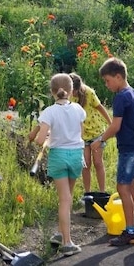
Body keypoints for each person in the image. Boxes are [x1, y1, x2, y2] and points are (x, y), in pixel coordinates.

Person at [90, 57, 134, 246]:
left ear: (118, 76)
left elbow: (115, 126)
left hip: (129, 148)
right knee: (131, 187)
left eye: (107, 81)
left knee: (122, 188)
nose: (107, 85)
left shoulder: (121, 97)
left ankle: (130, 231)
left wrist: (100, 140)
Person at [28, 73, 87, 256]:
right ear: (71, 91)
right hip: (76, 155)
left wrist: (47, 137)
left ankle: (67, 242)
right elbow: (81, 132)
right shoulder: (78, 109)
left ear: (52, 92)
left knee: (64, 199)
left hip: (58, 156)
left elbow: (38, 140)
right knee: (68, 198)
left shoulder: (49, 111)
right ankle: (62, 235)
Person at [69, 73, 113, 193]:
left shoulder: (89, 93)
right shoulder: (68, 96)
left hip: (96, 133)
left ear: (77, 89)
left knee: (98, 163)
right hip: (82, 135)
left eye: (72, 90)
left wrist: (111, 124)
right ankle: (87, 193)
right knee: (86, 164)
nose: (71, 93)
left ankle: (102, 192)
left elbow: (101, 108)